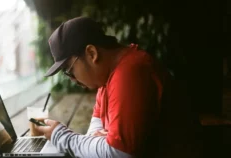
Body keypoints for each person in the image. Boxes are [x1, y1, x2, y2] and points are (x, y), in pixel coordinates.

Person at [35, 17, 202, 158]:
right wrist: (101, 144)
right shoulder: (104, 81)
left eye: (69, 70)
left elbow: (116, 153)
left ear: (92, 53)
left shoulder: (131, 71)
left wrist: (63, 137)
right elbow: (94, 136)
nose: (72, 79)